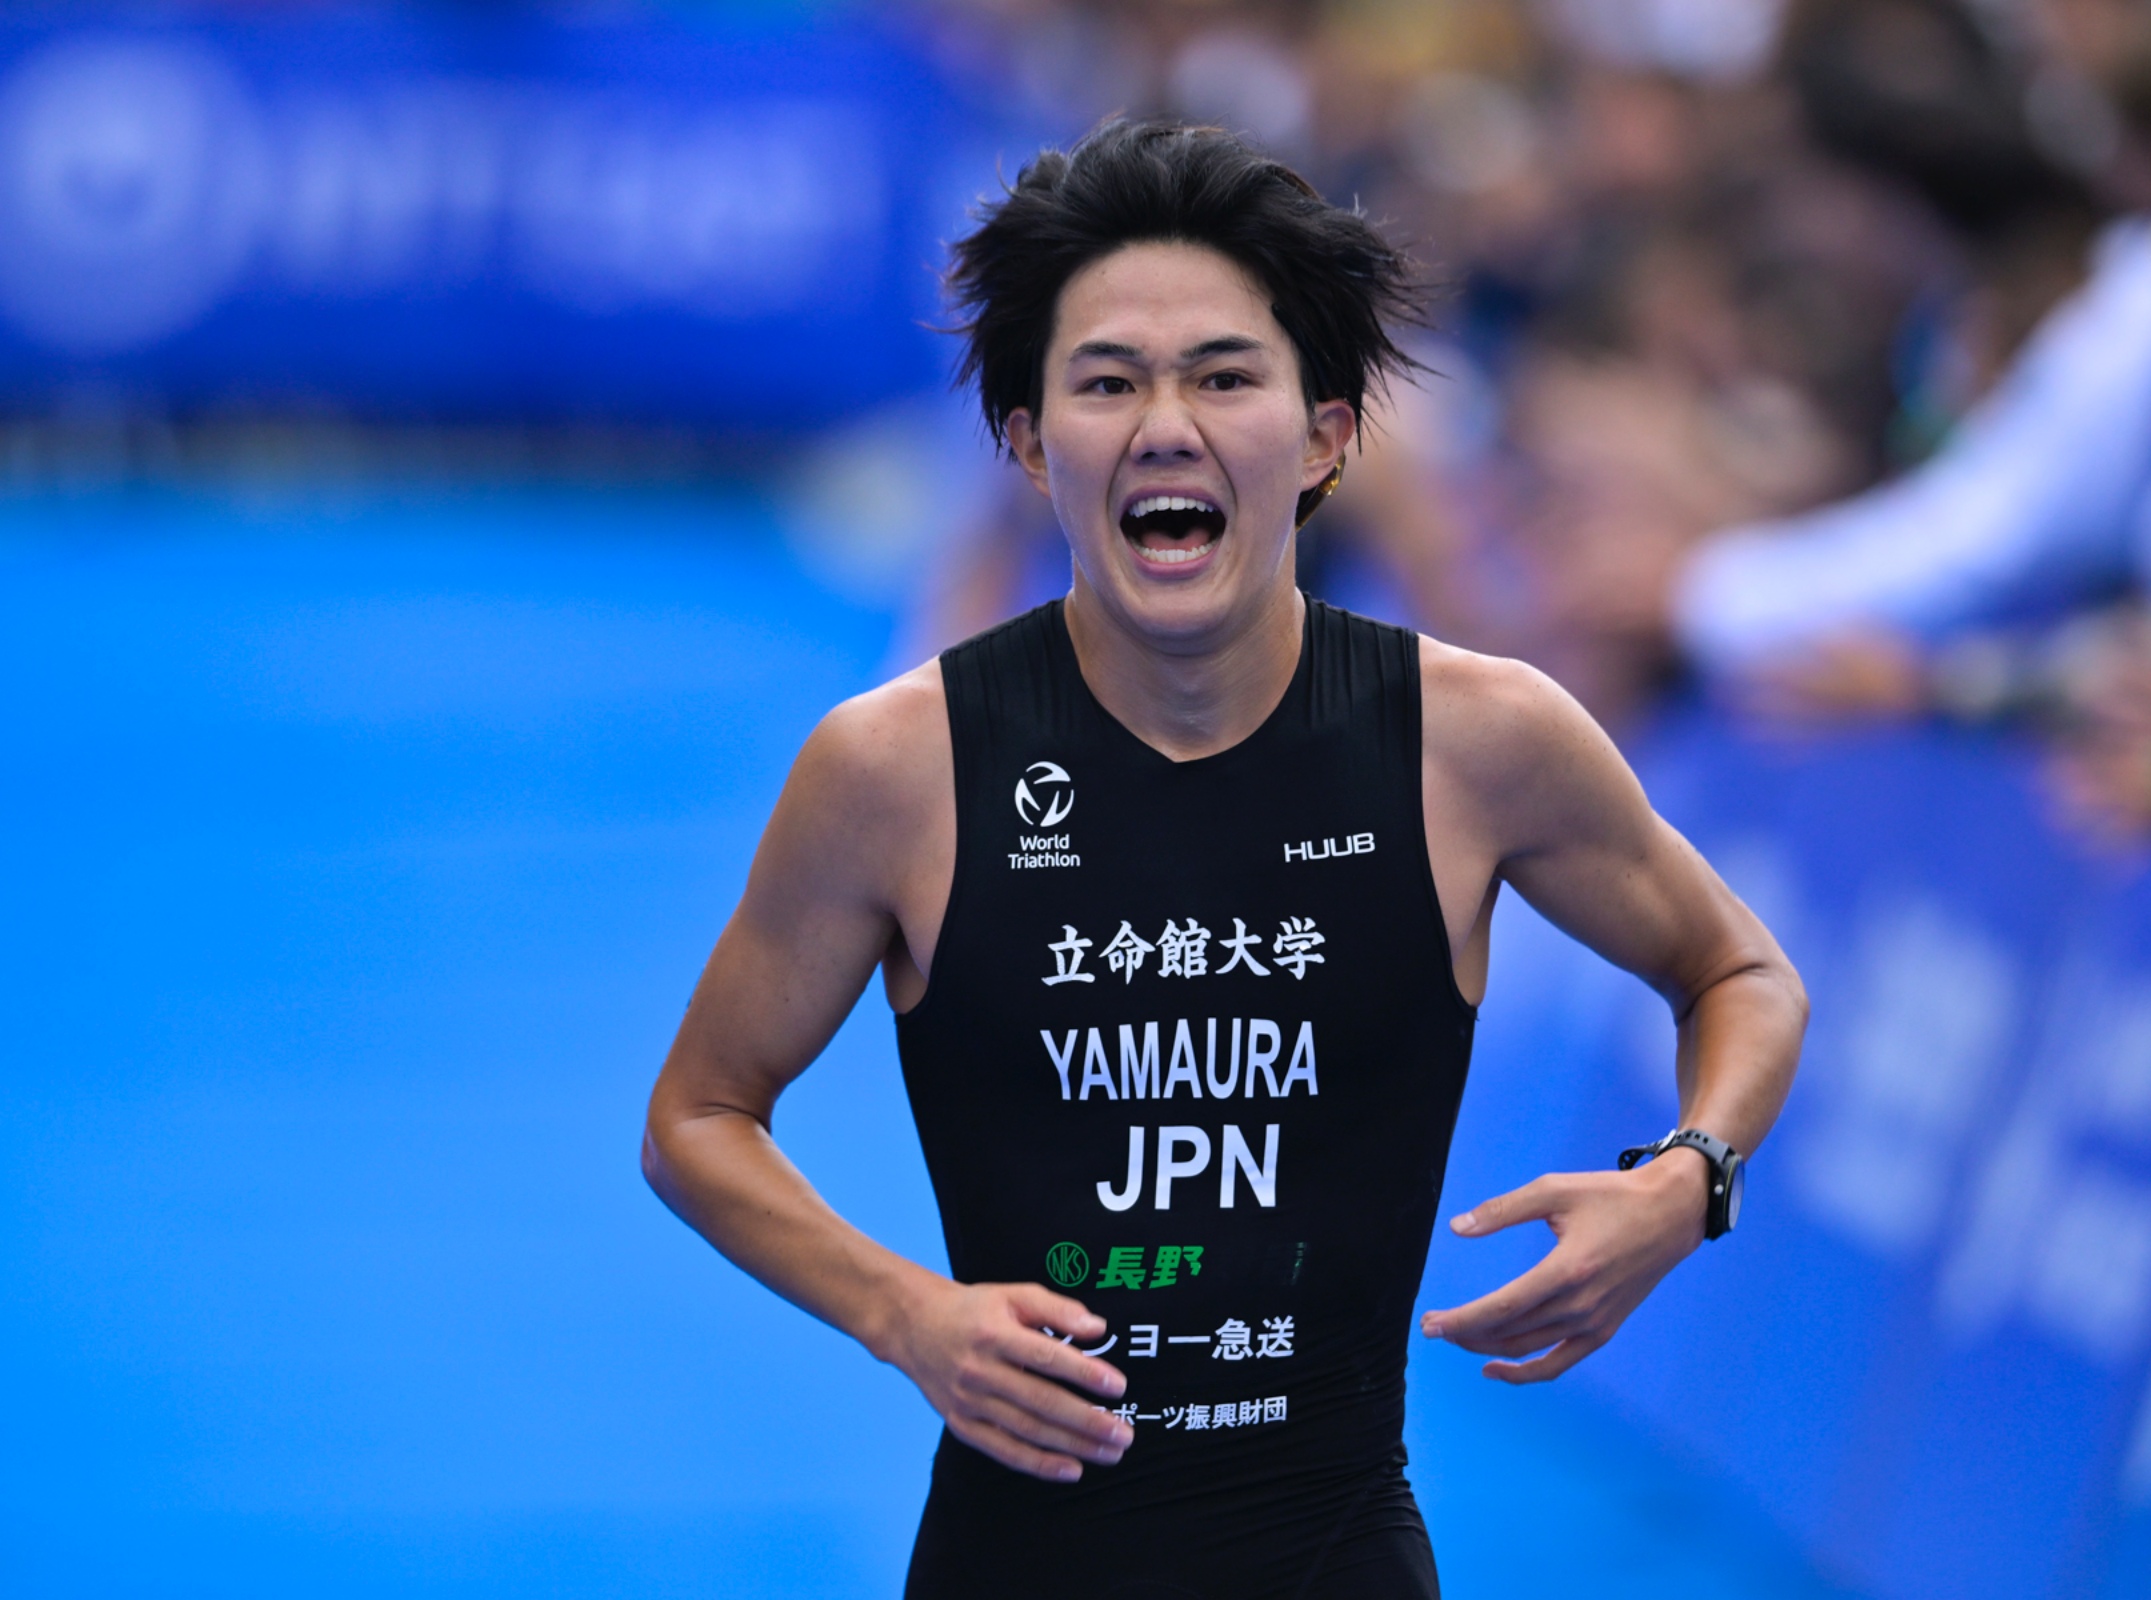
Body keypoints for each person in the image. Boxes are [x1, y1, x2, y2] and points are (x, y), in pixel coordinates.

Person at [640, 119, 1807, 1599]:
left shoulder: (1477, 739)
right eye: (1107, 382)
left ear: (1326, 436)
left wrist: (1691, 1180)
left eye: (1224, 376)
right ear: (1027, 443)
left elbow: (1742, 973)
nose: (1165, 426)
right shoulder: (896, 767)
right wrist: (905, 1316)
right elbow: (697, 1116)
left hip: (1334, 1549)